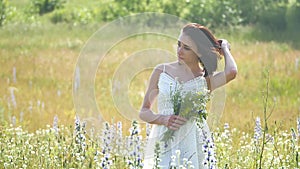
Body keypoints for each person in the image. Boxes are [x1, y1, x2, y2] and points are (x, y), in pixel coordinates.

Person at [139, 23, 238, 168]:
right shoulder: (162, 71)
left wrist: (225, 49)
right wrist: (164, 119)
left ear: (200, 53)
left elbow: (231, 72)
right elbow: (144, 112)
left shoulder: (205, 80)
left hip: (194, 141)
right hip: (164, 140)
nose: (179, 51)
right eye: (178, 45)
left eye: (186, 48)